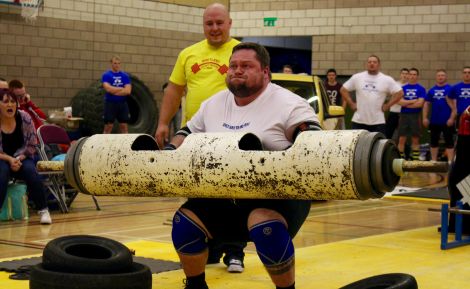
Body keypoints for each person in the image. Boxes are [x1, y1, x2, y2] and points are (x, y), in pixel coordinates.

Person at [166, 42, 320, 289]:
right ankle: (195, 286)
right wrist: (169, 152)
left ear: (266, 73)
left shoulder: (290, 103)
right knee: (184, 223)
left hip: (277, 195)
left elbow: (313, 140)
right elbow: (185, 132)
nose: (237, 71)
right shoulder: (213, 103)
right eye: (233, 66)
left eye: (246, 66)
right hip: (224, 194)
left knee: (264, 225)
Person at [154, 3, 246, 273]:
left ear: (229, 23)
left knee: (234, 194)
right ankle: (210, 250)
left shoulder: (242, 52)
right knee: (200, 193)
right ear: (203, 25)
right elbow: (174, 91)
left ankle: (235, 252)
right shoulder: (188, 54)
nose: (215, 28)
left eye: (219, 23)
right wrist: (162, 123)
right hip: (193, 136)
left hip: (232, 135)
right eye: (209, 24)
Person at [0, 88, 51, 224]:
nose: (10, 105)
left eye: (12, 101)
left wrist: (18, 159)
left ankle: (43, 210)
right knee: (2, 172)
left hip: (22, 156)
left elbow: (32, 144)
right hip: (2, 158)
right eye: (5, 102)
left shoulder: (24, 118)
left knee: (31, 171)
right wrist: (10, 160)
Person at [340, 55, 403, 135]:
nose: (372, 64)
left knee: (376, 146)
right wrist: (351, 103)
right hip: (358, 121)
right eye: (369, 62)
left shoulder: (386, 79)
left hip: (378, 122)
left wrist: (388, 105)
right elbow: (343, 90)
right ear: (366, 64)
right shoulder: (357, 77)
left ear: (379, 65)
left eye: (374, 62)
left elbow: (400, 93)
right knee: (357, 145)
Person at [422, 69, 456, 162]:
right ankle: (434, 160)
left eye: (442, 75)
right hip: (434, 121)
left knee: (449, 142)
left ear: (446, 77)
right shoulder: (432, 90)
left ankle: (450, 162)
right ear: (436, 77)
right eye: (439, 75)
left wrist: (452, 118)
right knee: (433, 142)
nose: (441, 77)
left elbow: (455, 105)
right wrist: (424, 118)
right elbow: (426, 104)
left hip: (447, 121)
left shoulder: (450, 89)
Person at [397, 68, 426, 160]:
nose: (412, 76)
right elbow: (399, 102)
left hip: (416, 116)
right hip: (404, 116)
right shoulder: (402, 88)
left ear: (417, 76)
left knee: (415, 139)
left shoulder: (421, 88)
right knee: (401, 139)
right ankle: (400, 159)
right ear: (408, 76)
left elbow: (420, 104)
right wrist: (413, 101)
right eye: (411, 74)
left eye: (414, 74)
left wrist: (406, 103)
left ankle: (415, 160)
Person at [101, 55, 132, 134]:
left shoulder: (125, 76)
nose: (117, 65)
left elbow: (128, 91)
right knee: (109, 126)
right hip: (110, 104)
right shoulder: (107, 75)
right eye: (115, 63)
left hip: (122, 104)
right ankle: (104, 143)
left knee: (124, 126)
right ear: (111, 64)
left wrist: (114, 91)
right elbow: (108, 89)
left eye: (118, 63)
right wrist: (121, 88)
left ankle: (126, 144)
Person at [385, 68, 409, 139]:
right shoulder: (395, 85)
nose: (404, 75)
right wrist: (407, 102)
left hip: (405, 113)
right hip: (394, 112)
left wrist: (404, 102)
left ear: (408, 75)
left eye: (406, 74)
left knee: (403, 135)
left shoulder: (410, 86)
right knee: (388, 133)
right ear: (400, 75)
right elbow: (395, 99)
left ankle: (402, 150)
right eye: (403, 73)